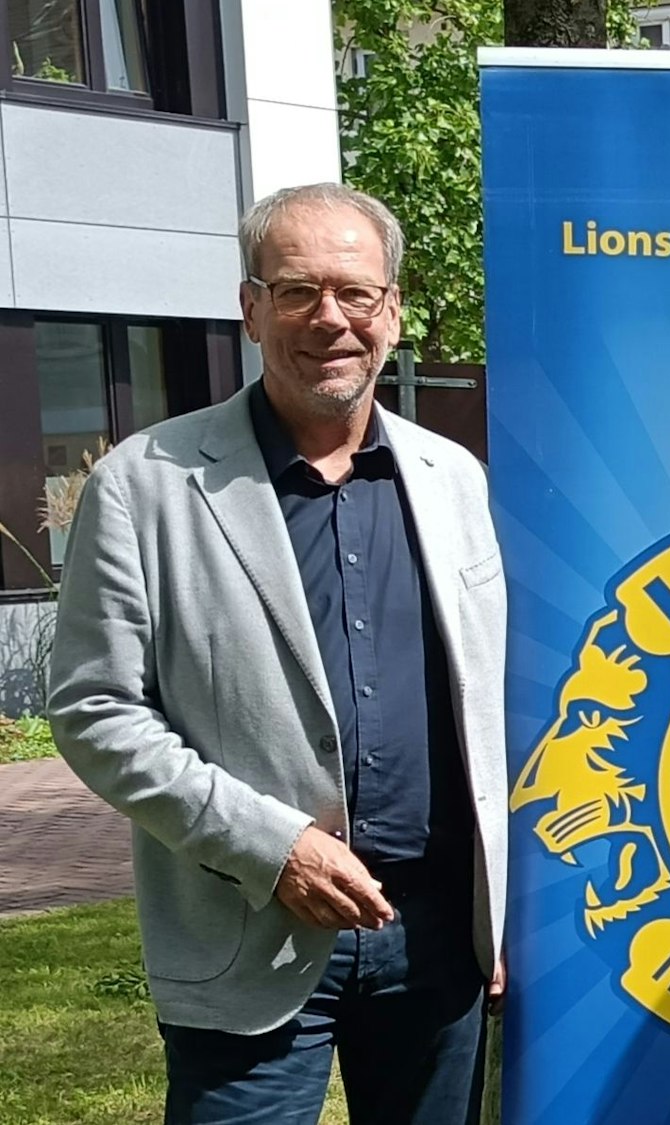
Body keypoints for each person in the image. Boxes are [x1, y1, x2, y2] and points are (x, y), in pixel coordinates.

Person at [46, 183, 509, 1124]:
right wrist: (273, 845)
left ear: (394, 309)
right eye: (297, 291)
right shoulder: (148, 485)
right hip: (245, 921)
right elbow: (96, 708)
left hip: (438, 941)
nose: (329, 318)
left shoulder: (454, 478)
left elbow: (495, 696)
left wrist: (501, 905)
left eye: (355, 292)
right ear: (250, 306)